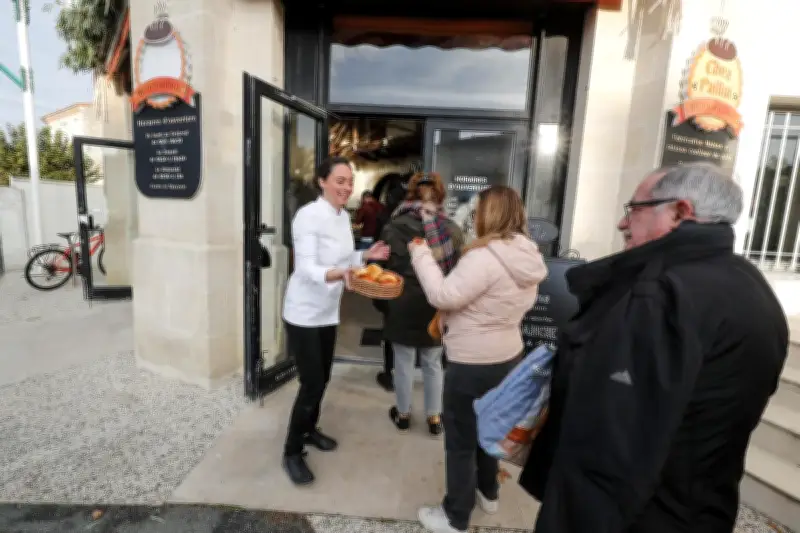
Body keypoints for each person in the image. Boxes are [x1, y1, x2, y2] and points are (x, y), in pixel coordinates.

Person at [520, 162, 789, 533]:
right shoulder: (750, 284)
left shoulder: (660, 293)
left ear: (680, 212)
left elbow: (609, 446)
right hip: (699, 509)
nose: (622, 223)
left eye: (635, 209)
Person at [410, 185, 548, 533]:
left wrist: (421, 255)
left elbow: (443, 294)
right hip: (509, 357)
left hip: (471, 362)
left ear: (491, 213)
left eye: (479, 209)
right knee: (491, 429)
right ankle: (489, 492)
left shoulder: (485, 256)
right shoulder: (528, 255)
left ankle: (455, 516)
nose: (474, 216)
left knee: (460, 442)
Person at [281, 156, 390, 486]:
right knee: (311, 382)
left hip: (328, 311)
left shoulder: (343, 217)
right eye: (339, 180)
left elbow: (344, 258)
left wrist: (364, 257)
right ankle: (291, 451)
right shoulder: (308, 216)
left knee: (323, 377)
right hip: (303, 313)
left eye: (349, 181)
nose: (346, 187)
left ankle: (310, 429)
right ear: (322, 181)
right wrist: (340, 273)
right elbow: (307, 268)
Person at [381, 172, 464, 435]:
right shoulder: (451, 230)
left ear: (410, 194)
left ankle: (403, 414)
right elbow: (458, 272)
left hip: (402, 301)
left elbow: (384, 267)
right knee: (433, 362)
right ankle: (434, 418)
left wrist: (382, 303)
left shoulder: (394, 226)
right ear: (441, 197)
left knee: (403, 361)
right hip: (435, 303)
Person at [375, 175, 412, 392]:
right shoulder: (429, 222)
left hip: (392, 283)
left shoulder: (387, 221)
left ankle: (390, 375)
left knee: (391, 330)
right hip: (418, 284)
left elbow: (379, 255)